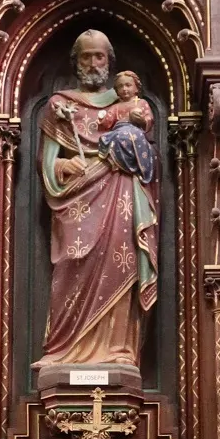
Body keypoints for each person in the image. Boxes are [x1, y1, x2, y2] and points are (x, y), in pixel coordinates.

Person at [35, 30, 159, 370]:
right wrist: (64, 164)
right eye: (86, 56)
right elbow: (45, 163)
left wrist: (128, 150)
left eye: (99, 56)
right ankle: (65, 350)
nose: (93, 63)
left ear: (110, 61)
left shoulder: (126, 105)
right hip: (76, 200)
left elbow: (148, 159)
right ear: (76, 61)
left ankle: (118, 350)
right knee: (73, 263)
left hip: (118, 194)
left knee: (121, 264)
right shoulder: (59, 105)